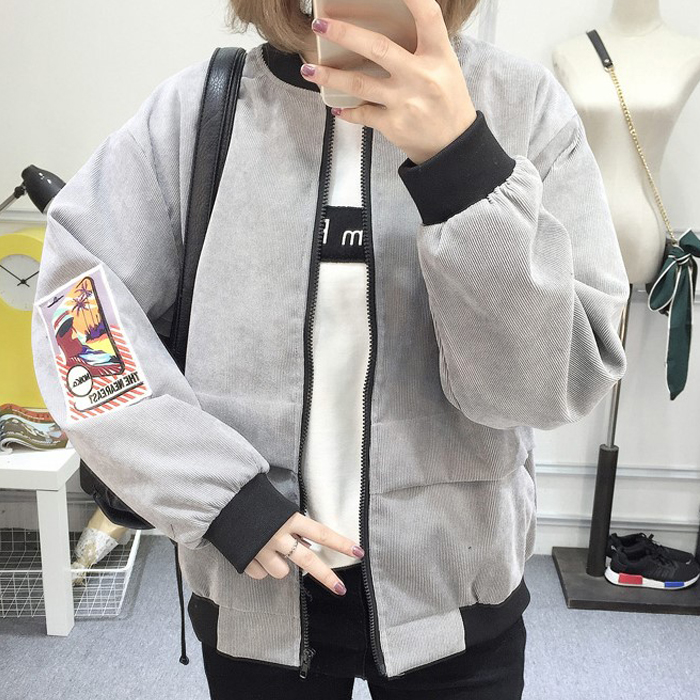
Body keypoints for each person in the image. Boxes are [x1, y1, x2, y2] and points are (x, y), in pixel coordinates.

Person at [31, 0, 630, 698]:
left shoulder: (521, 106)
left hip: (458, 595)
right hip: (254, 586)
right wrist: (221, 498)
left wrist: (462, 162)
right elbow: (77, 322)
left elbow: (551, 384)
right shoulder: (196, 114)